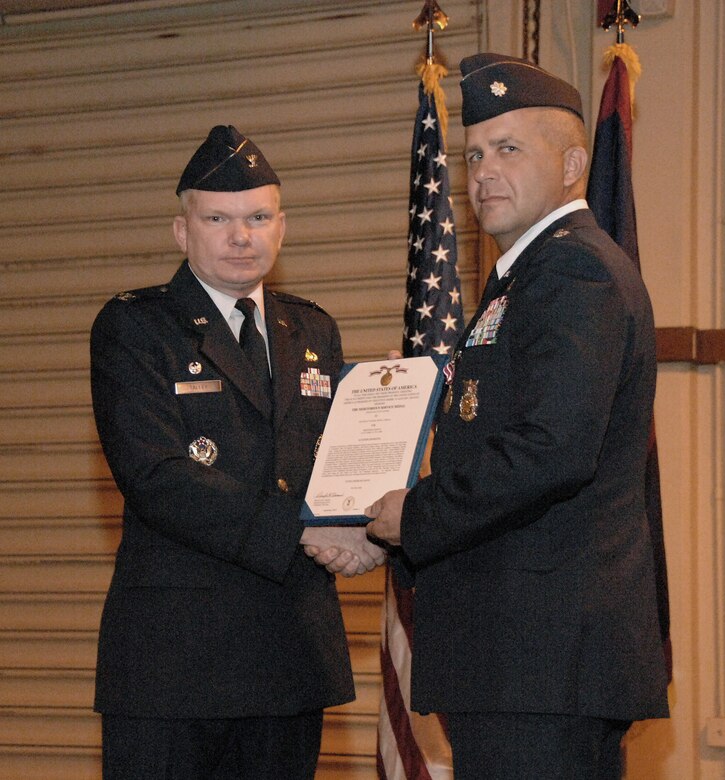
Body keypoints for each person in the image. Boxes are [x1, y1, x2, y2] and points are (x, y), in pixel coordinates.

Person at [365, 53, 669, 779]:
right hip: (526, 660)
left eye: (508, 149)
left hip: (541, 659)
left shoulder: (574, 270)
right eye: (472, 154)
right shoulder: (529, 277)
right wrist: (388, 528)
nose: (482, 173)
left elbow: (551, 448)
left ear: (571, 164)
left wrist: (418, 514)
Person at [90, 124, 384, 780]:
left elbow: (340, 463)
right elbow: (158, 477)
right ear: (182, 230)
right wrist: (308, 533)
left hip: (290, 656)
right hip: (176, 666)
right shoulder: (136, 328)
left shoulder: (312, 328)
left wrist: (391, 427)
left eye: (257, 217)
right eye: (217, 218)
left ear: (282, 228)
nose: (240, 235)